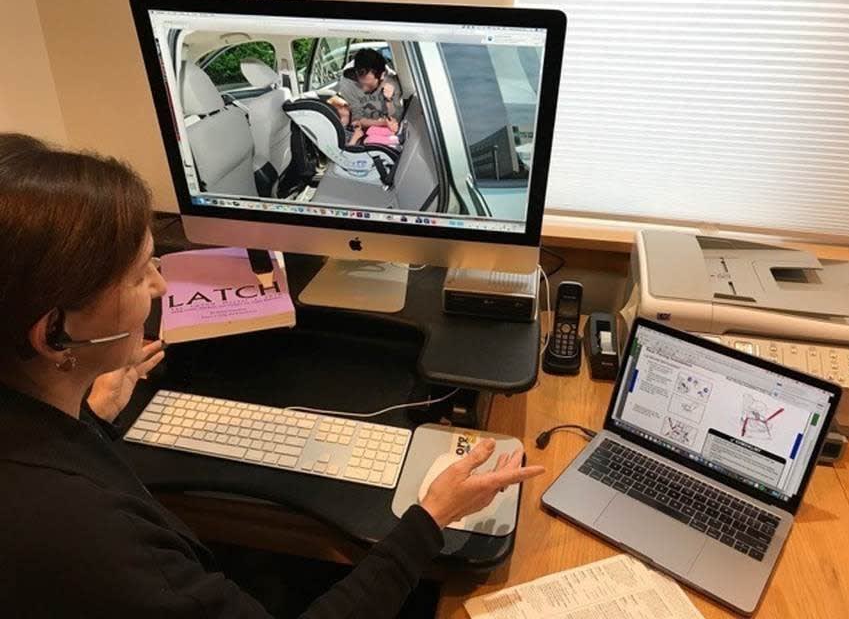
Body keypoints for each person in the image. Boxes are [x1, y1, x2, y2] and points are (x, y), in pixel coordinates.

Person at [0, 133, 545, 618]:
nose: (163, 288)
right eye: (140, 272)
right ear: (54, 334)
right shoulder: (100, 544)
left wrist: (92, 418)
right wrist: (431, 517)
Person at [337, 48, 403, 129]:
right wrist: (382, 123)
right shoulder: (348, 83)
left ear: (381, 76)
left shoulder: (392, 82)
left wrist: (389, 100)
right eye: (360, 84)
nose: (363, 88)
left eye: (369, 85)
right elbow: (356, 120)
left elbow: (397, 119)